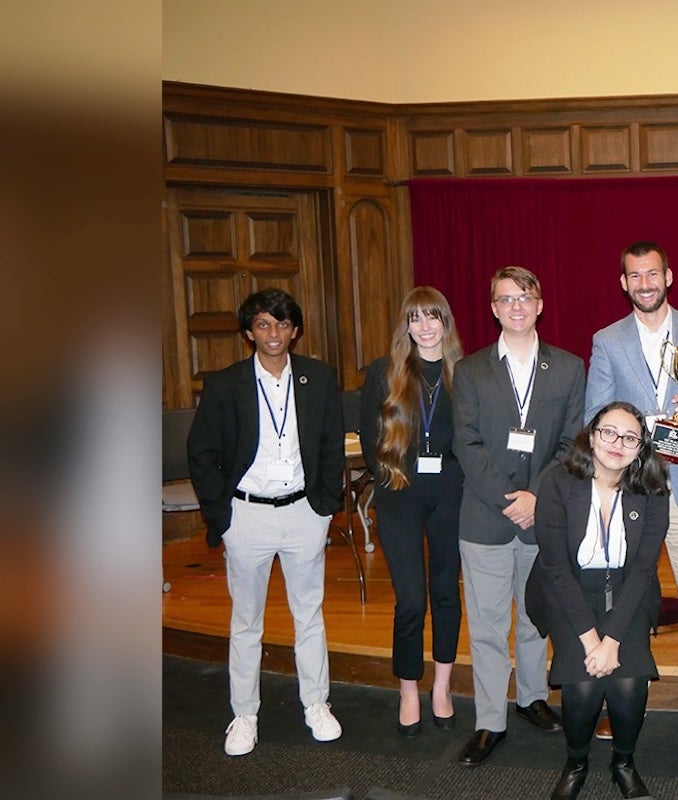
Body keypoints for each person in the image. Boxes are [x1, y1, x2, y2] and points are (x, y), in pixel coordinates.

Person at [187, 288, 345, 756]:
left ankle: (317, 703)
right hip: (246, 516)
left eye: (281, 324)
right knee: (246, 622)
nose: (273, 333)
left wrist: (324, 509)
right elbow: (201, 454)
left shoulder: (318, 377)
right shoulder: (225, 384)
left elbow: (332, 445)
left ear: (295, 331)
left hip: (303, 513)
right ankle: (244, 714)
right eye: (262, 324)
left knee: (309, 616)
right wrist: (224, 517)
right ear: (248, 333)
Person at [585, 240, 678, 745]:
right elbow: (592, 417)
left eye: (653, 274)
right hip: (630, 489)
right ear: (624, 283)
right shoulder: (607, 340)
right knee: (622, 601)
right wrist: (633, 425)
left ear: (669, 277)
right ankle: (616, 696)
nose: (645, 283)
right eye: (635, 276)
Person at [453, 266, 587, 766]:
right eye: (506, 299)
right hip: (485, 518)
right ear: (493, 308)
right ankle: (490, 720)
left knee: (535, 618)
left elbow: (572, 441)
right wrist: (509, 499)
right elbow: (465, 443)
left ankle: (532, 698)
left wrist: (537, 498)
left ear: (540, 304)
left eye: (525, 297)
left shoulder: (570, 367)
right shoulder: (469, 371)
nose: (516, 306)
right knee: (488, 626)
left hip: (543, 516)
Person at [526, 402, 670, 799]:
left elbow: (643, 571)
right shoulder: (557, 482)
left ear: (640, 448)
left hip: (629, 592)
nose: (617, 444)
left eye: (630, 437)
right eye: (609, 432)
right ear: (592, 436)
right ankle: (576, 763)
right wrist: (592, 641)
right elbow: (555, 568)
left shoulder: (653, 490)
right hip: (568, 590)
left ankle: (623, 763)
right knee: (584, 687)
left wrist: (613, 641)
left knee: (628, 683)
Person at [359, 287, 464, 738]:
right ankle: (408, 689)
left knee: (444, 593)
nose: (424, 326)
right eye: (415, 318)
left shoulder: (467, 372)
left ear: (445, 322)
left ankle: (441, 686)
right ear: (406, 325)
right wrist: (389, 477)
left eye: (432, 317)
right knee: (410, 600)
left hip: (451, 494)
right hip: (398, 493)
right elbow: (368, 440)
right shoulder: (384, 372)